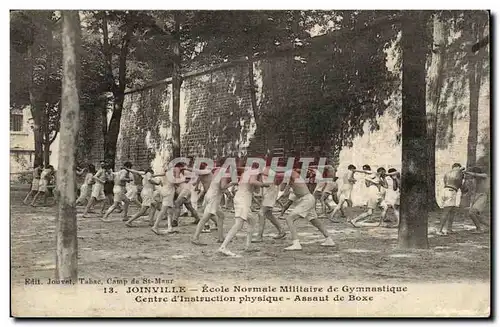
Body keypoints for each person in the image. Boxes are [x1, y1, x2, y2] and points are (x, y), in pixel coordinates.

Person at [217, 165, 269, 257]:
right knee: (239, 224)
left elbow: (256, 190)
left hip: (243, 199)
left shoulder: (249, 172)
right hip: (243, 199)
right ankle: (223, 247)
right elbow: (253, 182)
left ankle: (248, 246)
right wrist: (263, 184)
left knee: (252, 221)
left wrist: (260, 178)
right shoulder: (254, 171)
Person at [281, 168, 336, 251]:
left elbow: (282, 189)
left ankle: (296, 243)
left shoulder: (289, 173)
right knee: (314, 221)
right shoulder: (294, 175)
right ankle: (329, 239)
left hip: (306, 200)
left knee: (289, 218)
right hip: (309, 199)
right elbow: (287, 189)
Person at [191, 168, 236, 245]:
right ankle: (195, 237)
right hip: (214, 198)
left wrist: (228, 192)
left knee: (221, 216)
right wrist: (233, 183)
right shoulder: (224, 174)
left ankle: (221, 237)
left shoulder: (218, 172)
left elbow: (220, 185)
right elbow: (222, 186)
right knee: (204, 219)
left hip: (211, 195)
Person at [253, 167, 286, 242]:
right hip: (268, 193)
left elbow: (277, 179)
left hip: (271, 193)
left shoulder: (267, 170)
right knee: (268, 214)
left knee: (261, 213)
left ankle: (259, 236)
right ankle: (281, 231)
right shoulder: (262, 170)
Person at [437, 163, 466, 236]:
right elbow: (460, 184)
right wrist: (464, 189)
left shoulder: (447, 173)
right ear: (457, 167)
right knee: (446, 212)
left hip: (445, 190)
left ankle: (449, 229)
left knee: (452, 211)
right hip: (451, 192)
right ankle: (439, 230)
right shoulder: (459, 173)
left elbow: (445, 182)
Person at [464, 167, 490, 233]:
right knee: (477, 216)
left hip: (483, 196)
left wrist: (468, 172)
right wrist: (471, 205)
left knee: (472, 213)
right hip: (477, 197)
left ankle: (479, 229)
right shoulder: (475, 180)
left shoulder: (484, 176)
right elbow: (474, 193)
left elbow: (478, 175)